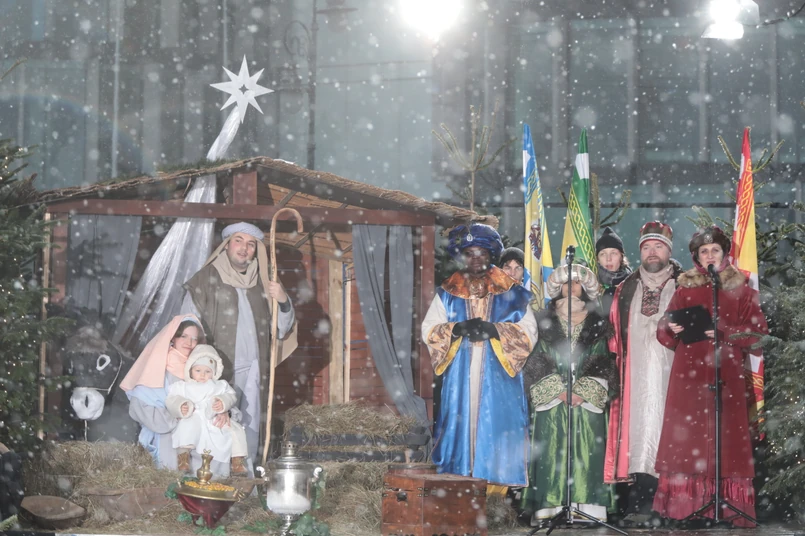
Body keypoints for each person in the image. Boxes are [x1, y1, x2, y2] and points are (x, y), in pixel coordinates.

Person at [653, 226, 768, 527]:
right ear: (696, 257)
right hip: (688, 378)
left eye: (714, 250)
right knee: (686, 442)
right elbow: (663, 332)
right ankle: (688, 507)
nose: (709, 255)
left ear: (724, 254)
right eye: (704, 251)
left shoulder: (743, 290)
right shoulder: (684, 290)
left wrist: (723, 332)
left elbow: (758, 334)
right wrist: (670, 328)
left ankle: (727, 508)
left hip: (726, 376)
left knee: (726, 441)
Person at [421, 223, 538, 488]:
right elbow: (429, 329)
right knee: (459, 422)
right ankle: (458, 485)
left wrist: (496, 330)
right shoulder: (448, 292)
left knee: (497, 427)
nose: (475, 259)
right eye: (469, 253)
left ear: (490, 255)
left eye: (481, 253)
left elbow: (529, 330)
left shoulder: (512, 292)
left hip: (499, 378)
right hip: (460, 375)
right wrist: (457, 328)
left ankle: (496, 490)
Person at [183, 222, 297, 463]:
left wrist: (283, 300)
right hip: (219, 369)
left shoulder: (264, 282)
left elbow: (281, 329)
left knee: (251, 423)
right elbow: (188, 324)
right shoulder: (206, 278)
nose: (244, 248)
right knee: (217, 421)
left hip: (256, 368)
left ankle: (248, 473)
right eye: (238, 241)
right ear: (226, 245)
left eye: (251, 244)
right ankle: (215, 474)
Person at [520, 263, 617, 525]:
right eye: (566, 283)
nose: (571, 287)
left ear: (584, 288)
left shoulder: (597, 323)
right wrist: (559, 390)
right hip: (553, 400)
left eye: (576, 283)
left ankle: (587, 507)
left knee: (589, 451)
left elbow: (603, 360)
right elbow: (536, 359)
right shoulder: (544, 322)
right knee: (551, 450)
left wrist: (582, 392)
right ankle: (551, 508)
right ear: (558, 288)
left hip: (586, 401)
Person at [603, 221, 683, 526]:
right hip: (633, 377)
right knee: (637, 435)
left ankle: (673, 505)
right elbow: (613, 337)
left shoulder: (684, 285)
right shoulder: (625, 289)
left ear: (669, 251)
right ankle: (639, 503)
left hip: (672, 376)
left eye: (658, 246)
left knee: (669, 434)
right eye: (646, 247)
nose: (652, 252)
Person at [120, 315, 236, 473]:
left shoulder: (201, 367)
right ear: (173, 337)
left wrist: (223, 410)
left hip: (202, 425)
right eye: (184, 336)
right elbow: (139, 406)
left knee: (218, 447)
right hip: (167, 430)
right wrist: (175, 418)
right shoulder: (158, 365)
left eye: (194, 339)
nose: (189, 343)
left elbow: (221, 392)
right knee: (175, 466)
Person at [167, 344, 248, 475]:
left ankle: (237, 461)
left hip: (214, 417)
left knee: (235, 430)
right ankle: (183, 458)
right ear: (190, 370)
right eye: (198, 370)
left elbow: (230, 396)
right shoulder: (183, 386)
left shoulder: (220, 385)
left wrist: (222, 402)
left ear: (214, 372)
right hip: (194, 415)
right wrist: (181, 405)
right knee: (185, 428)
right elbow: (171, 399)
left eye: (208, 371)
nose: (202, 375)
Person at [596, 227, 632, 316]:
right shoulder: (591, 284)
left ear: (621, 257)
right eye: (603, 254)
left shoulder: (633, 283)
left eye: (613, 253)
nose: (608, 259)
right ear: (597, 259)